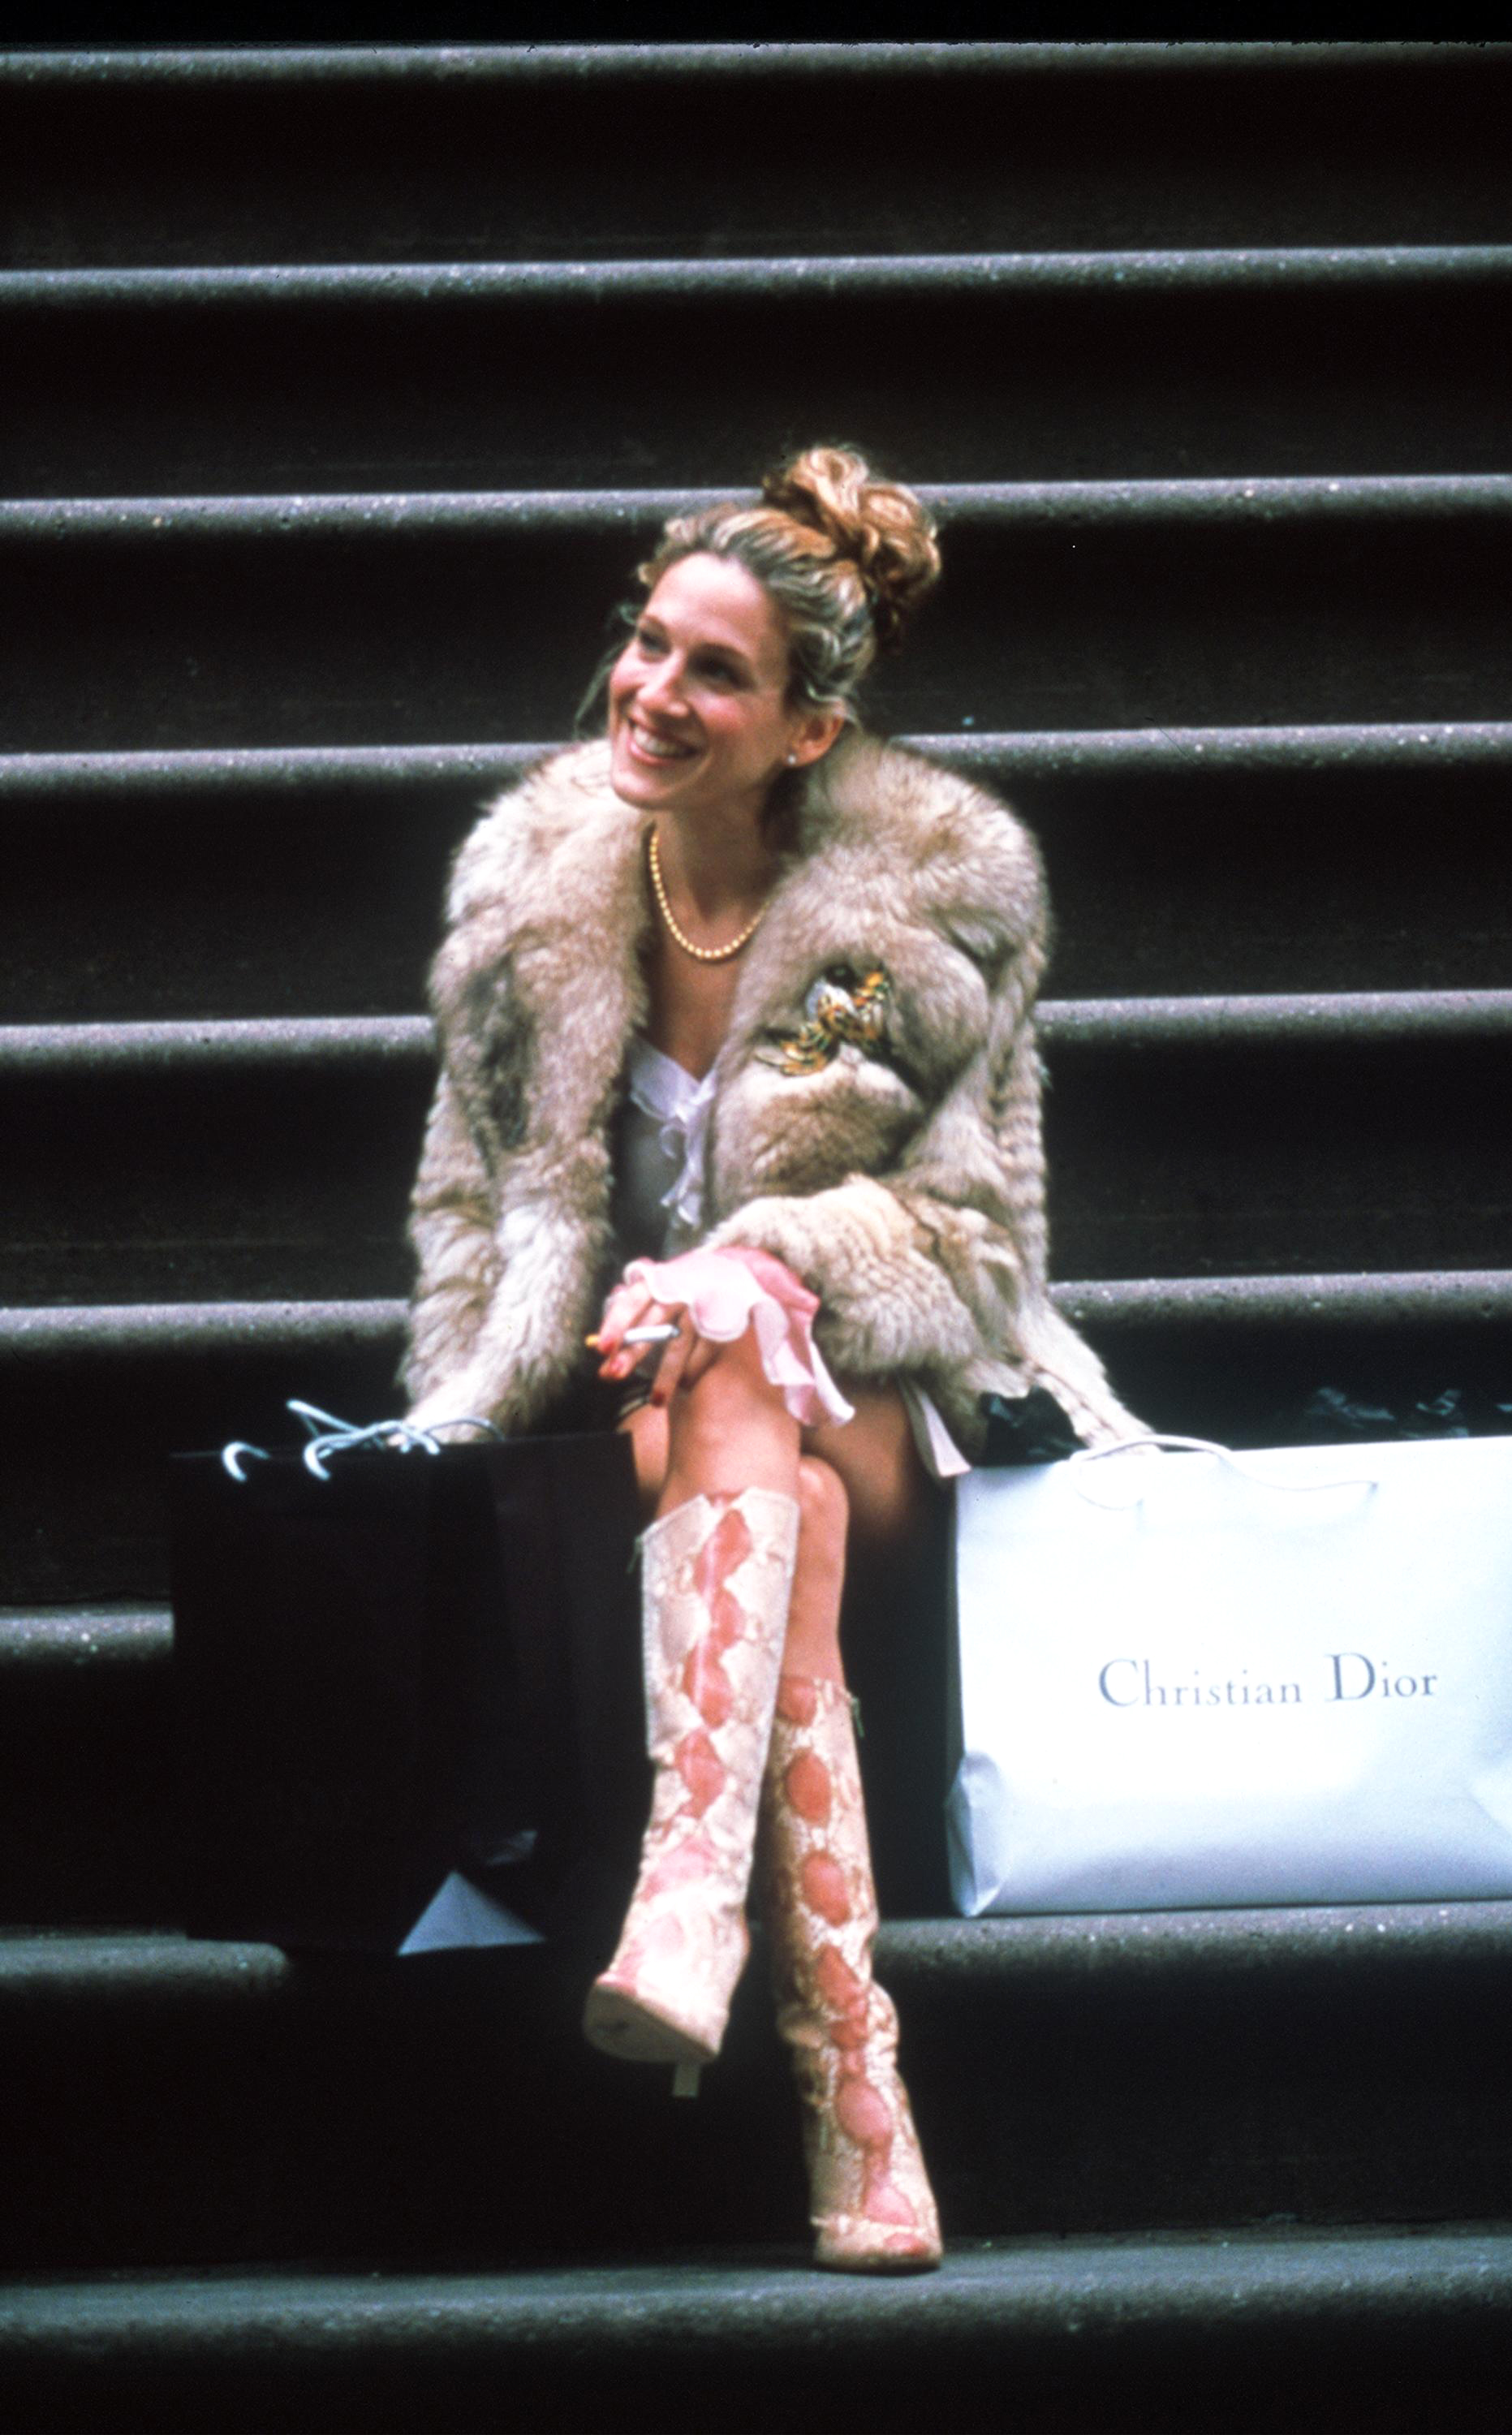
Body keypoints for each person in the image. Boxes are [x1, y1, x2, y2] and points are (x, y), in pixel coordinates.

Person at [402, 446, 1140, 2273]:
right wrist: (521, 1365)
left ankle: (683, 1902)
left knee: (754, 1353)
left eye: (713, 673)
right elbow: (467, 1214)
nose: (652, 694)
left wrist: (752, 1257)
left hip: (885, 1413)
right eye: (647, 647)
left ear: (807, 729)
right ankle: (855, 2098)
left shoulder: (920, 923)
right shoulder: (533, 897)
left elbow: (973, 1254)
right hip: (640, 1444)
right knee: (762, 1479)